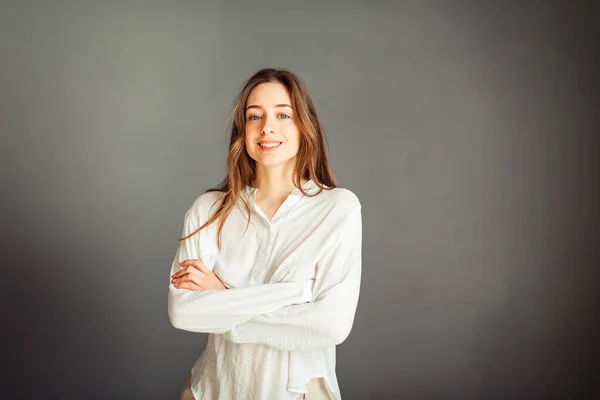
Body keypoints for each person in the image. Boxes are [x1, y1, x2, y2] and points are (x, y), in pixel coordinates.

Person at [168, 68, 362, 400]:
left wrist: (223, 294)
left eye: (282, 114)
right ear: (242, 131)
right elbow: (184, 312)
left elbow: (330, 325)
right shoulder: (209, 210)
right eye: (254, 116)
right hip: (212, 392)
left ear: (304, 125)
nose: (267, 127)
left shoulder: (336, 208)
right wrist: (294, 294)